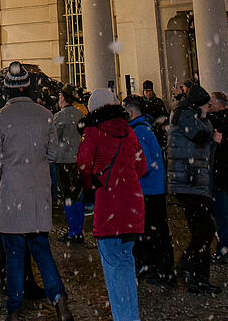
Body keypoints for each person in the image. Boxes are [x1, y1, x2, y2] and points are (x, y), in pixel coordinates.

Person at [0, 62, 74, 321]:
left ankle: (14, 309)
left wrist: (8, 175)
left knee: (14, 256)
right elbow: (53, 153)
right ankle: (59, 300)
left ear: (7, 89)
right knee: (42, 251)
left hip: (12, 195)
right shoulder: (45, 115)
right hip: (38, 194)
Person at [77, 89, 146, 321]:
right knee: (126, 262)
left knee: (113, 268)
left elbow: (83, 164)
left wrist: (93, 183)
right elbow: (142, 166)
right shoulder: (128, 130)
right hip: (132, 206)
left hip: (108, 206)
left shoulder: (93, 131)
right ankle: (131, 316)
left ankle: (123, 317)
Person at [166, 81, 218, 294]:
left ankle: (193, 271)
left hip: (191, 181)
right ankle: (192, 270)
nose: (208, 109)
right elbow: (199, 136)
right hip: (190, 181)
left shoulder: (186, 116)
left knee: (202, 229)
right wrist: (211, 133)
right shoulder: (187, 117)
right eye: (206, 105)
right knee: (205, 229)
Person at [123, 94, 173, 284]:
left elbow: (143, 163)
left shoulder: (137, 132)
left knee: (152, 231)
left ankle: (157, 268)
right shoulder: (145, 128)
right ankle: (158, 267)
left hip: (147, 189)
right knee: (156, 230)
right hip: (153, 187)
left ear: (131, 112)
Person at [207, 91, 228, 264]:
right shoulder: (225, 118)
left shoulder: (217, 119)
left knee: (221, 214)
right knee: (226, 213)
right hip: (224, 172)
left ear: (219, 104)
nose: (209, 104)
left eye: (211, 101)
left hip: (219, 173)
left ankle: (226, 248)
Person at [49, 88, 86, 243]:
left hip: (64, 160)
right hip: (78, 160)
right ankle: (78, 230)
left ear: (63, 98)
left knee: (67, 197)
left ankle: (72, 230)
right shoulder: (80, 114)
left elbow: (53, 139)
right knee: (77, 196)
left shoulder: (59, 117)